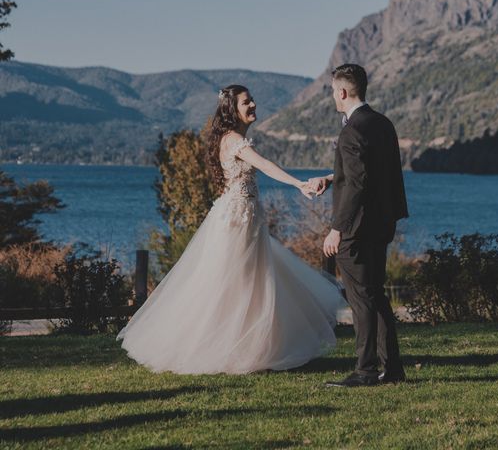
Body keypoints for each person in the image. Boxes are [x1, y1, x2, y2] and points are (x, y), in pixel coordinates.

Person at [117, 84, 344, 375]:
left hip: (243, 217)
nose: (253, 105)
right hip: (238, 220)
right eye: (246, 102)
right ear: (232, 109)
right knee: (236, 283)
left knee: (248, 284)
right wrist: (299, 184)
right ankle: (220, 349)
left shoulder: (230, 137)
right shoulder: (234, 139)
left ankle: (247, 349)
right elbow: (265, 165)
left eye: (252, 100)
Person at [309, 64, 409, 387]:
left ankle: (366, 370)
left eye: (332, 92)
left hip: (357, 228)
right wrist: (330, 178)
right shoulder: (382, 124)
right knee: (376, 295)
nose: (332, 97)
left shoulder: (351, 131)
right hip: (382, 224)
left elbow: (357, 184)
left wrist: (337, 228)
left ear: (341, 92)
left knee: (361, 299)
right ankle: (391, 369)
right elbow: (374, 173)